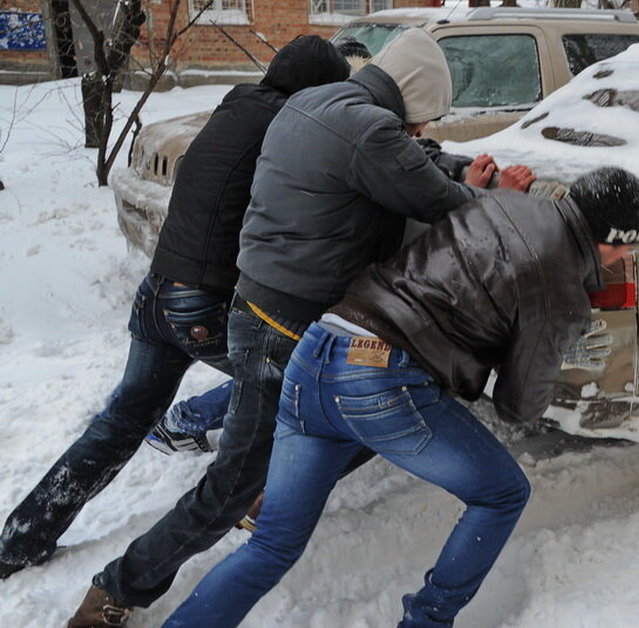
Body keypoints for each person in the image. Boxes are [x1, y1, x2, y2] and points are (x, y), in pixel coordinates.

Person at [66, 28, 534, 627]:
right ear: (412, 98)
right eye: (423, 121)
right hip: (282, 329)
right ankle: (116, 591)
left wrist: (461, 165)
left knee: (354, 427)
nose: (421, 133)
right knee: (231, 485)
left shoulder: (323, 103)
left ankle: (272, 497)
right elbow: (435, 197)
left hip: (262, 310)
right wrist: (492, 193)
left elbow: (409, 160)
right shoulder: (371, 130)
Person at [163, 167, 639, 628]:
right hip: (381, 376)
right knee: (503, 493)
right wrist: (555, 351)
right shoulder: (563, 291)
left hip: (317, 352)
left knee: (271, 545)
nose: (626, 261)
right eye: (628, 250)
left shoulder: (503, 201)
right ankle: (427, 620)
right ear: (615, 240)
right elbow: (517, 406)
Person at [0, 35, 351, 582]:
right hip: (205, 304)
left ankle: (22, 540)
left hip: (159, 292)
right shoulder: (288, 129)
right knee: (307, 390)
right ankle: (258, 507)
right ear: (314, 92)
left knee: (119, 422)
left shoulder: (231, 111)